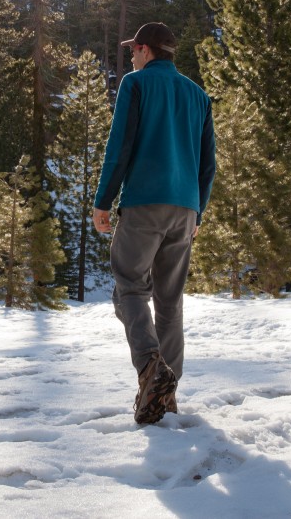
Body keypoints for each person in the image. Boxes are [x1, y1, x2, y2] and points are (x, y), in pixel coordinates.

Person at [92, 22, 216, 425]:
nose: (131, 56)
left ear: (145, 51)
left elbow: (120, 145)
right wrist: (198, 208)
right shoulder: (198, 96)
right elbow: (208, 163)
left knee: (128, 287)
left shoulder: (136, 83)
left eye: (133, 49)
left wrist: (103, 201)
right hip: (185, 209)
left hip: (144, 202)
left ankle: (150, 370)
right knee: (169, 301)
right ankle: (167, 395)